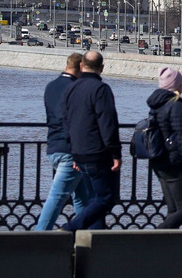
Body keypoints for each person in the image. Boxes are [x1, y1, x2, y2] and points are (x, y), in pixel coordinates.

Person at [60, 51, 121, 231]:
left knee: (94, 199)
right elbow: (108, 124)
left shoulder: (71, 88)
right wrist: (116, 153)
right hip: (98, 153)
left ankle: (96, 240)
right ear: (102, 68)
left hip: (79, 153)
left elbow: (66, 121)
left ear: (81, 65)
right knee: (105, 198)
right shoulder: (101, 90)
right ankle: (71, 228)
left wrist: (73, 152)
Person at [34, 53, 90, 231]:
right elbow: (73, 123)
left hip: (53, 148)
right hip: (70, 152)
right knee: (57, 197)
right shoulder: (76, 88)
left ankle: (83, 236)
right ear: (81, 67)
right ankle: (37, 240)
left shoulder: (51, 86)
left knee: (82, 197)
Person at [146, 67, 182, 229]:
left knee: (173, 210)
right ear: (175, 85)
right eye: (180, 83)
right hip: (173, 164)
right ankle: (150, 241)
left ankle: (167, 250)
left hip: (159, 162)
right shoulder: (176, 107)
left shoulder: (156, 105)